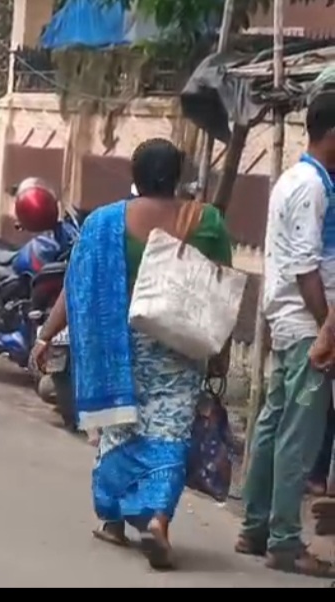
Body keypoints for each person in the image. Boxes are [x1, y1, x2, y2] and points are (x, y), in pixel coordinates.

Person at [33, 138, 232, 571]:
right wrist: (222, 353)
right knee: (169, 433)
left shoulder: (104, 224)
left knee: (120, 430)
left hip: (119, 347)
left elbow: (75, 285)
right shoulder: (206, 221)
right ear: (177, 176)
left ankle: (114, 520)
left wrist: (46, 335)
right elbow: (221, 293)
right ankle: (158, 519)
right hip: (180, 349)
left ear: (135, 177)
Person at [237, 93, 335, 578]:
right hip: (304, 326)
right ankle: (284, 540)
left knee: (274, 424)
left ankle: (255, 525)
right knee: (299, 433)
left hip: (288, 322)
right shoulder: (311, 187)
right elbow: (305, 267)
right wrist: (326, 328)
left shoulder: (298, 180)